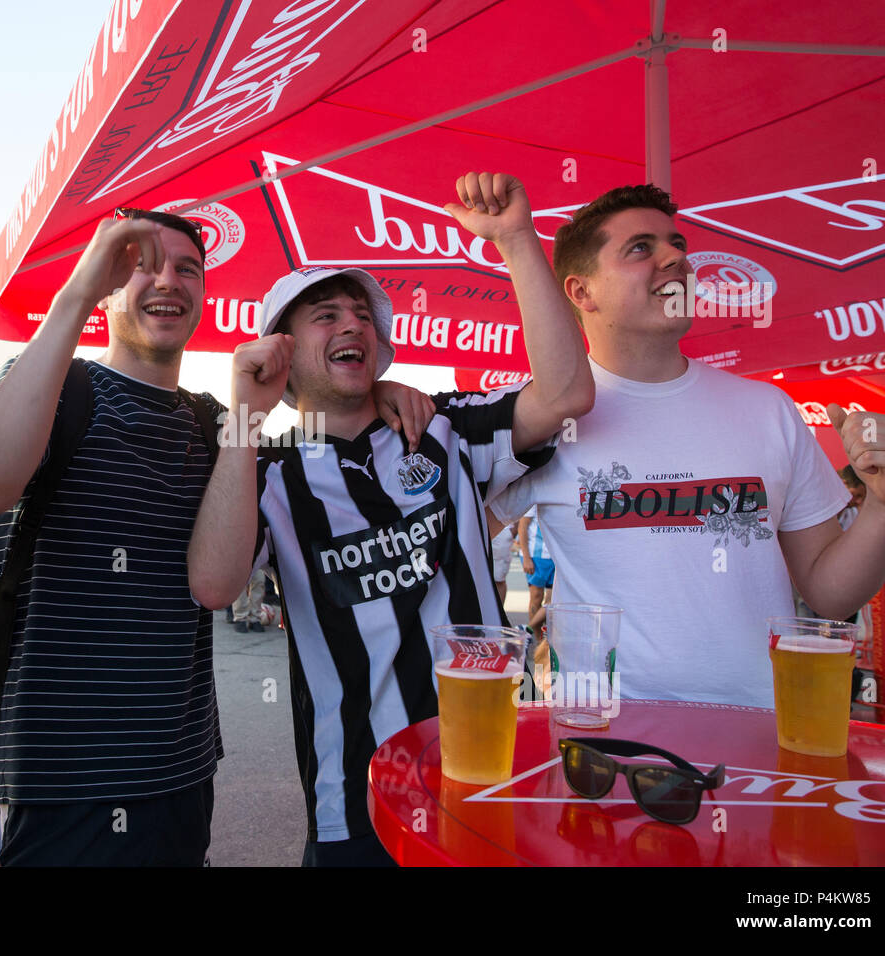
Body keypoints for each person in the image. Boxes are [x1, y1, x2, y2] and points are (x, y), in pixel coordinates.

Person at [0, 208, 429, 866]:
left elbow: (219, 578)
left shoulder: (213, 423)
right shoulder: (54, 386)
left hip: (181, 779)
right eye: (142, 264)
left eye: (188, 269)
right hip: (55, 783)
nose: (168, 281)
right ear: (108, 284)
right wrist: (76, 293)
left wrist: (375, 392)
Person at [188, 172, 594, 865]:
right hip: (358, 800)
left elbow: (567, 393)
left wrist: (517, 242)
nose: (353, 323)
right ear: (282, 353)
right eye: (326, 316)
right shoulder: (271, 473)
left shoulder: (443, 427)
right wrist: (246, 419)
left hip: (495, 775)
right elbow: (215, 585)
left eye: (362, 315)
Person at [489, 184, 885, 708]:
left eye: (678, 244)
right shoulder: (542, 421)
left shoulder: (767, 410)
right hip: (603, 743)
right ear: (581, 293)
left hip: (763, 733)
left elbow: (830, 594)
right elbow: (446, 550)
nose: (676, 258)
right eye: (641, 248)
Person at [517, 506, 553, 632]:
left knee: (553, 601)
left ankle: (527, 631)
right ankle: (536, 639)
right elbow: (522, 527)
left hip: (556, 557)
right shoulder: (536, 497)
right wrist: (526, 557)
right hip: (536, 556)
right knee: (536, 597)